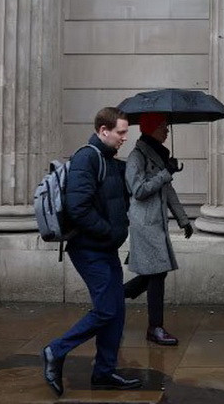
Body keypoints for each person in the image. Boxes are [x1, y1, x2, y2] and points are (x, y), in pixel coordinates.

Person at [42, 107, 142, 396]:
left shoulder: (110, 161)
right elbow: (78, 208)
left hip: (104, 248)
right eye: (121, 132)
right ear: (103, 131)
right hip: (88, 249)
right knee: (106, 309)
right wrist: (108, 231)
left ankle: (104, 373)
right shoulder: (88, 157)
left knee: (117, 311)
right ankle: (55, 350)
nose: (125, 137)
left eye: (126, 132)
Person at [123, 113, 193, 346]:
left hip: (156, 222)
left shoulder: (158, 154)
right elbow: (138, 190)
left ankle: (118, 296)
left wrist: (183, 219)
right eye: (163, 127)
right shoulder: (137, 156)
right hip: (144, 223)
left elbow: (168, 191)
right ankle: (155, 327)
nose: (167, 131)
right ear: (151, 129)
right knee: (156, 274)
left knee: (155, 272)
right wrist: (165, 174)